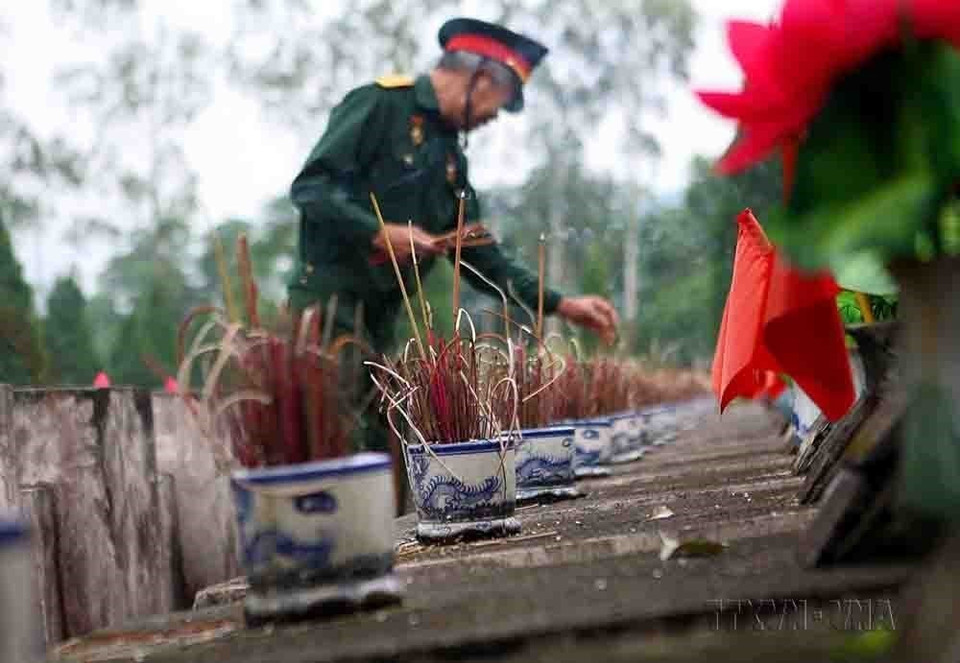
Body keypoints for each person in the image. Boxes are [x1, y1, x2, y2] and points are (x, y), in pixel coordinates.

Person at [287, 17, 619, 451]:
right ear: (479, 78)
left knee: (386, 449)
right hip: (328, 314)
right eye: (498, 103)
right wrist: (377, 233)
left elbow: (480, 256)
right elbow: (310, 188)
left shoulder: (449, 157)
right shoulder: (379, 105)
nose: (493, 119)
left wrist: (561, 304)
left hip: (380, 324)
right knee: (336, 445)